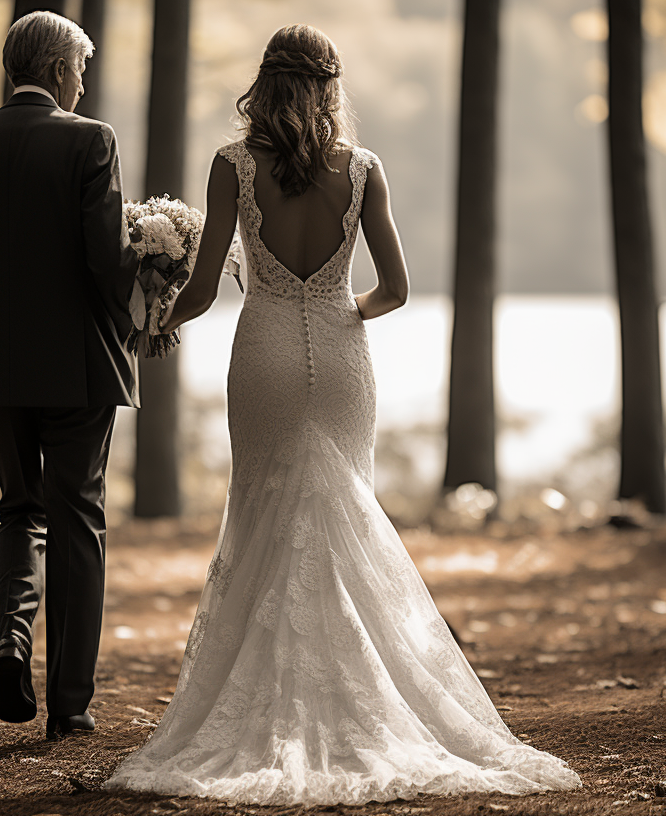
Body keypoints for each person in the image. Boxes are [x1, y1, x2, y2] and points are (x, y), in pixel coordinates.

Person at [102, 24, 583, 806]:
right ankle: (365, 694)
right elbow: (394, 288)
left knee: (261, 511)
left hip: (260, 352)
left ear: (264, 86)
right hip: (341, 352)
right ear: (330, 89)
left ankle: (263, 700)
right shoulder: (363, 171)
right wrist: (334, 308)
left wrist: (149, 323)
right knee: (344, 510)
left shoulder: (233, 166)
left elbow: (201, 289)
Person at [0, 11, 138, 739]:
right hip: (77, 367)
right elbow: (106, 261)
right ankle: (69, 703)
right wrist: (136, 323)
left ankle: (12, 641)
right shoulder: (91, 141)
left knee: (20, 508)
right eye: (82, 70)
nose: (83, 83)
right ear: (64, 72)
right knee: (79, 519)